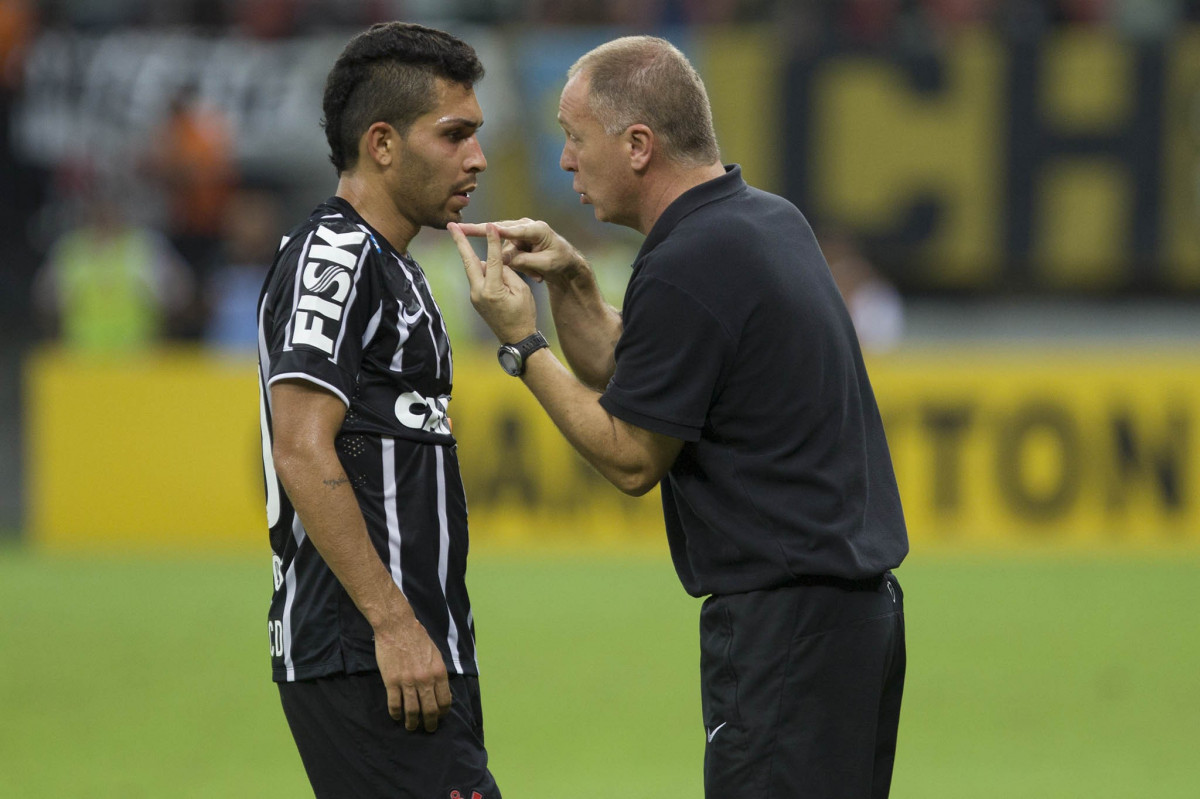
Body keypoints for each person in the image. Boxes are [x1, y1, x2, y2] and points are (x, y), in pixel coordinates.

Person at [450, 36, 908, 798]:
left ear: (637, 145)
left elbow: (632, 456)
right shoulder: (762, 220)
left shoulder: (689, 260)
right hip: (850, 623)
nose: (564, 162)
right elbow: (640, 366)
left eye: (573, 137)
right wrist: (571, 278)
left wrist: (521, 343)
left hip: (783, 632)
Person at [256, 22, 499, 799]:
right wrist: (393, 624)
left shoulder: (397, 266)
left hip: (418, 654)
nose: (477, 158)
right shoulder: (335, 256)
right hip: (365, 652)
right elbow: (300, 445)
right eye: (455, 134)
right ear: (383, 144)